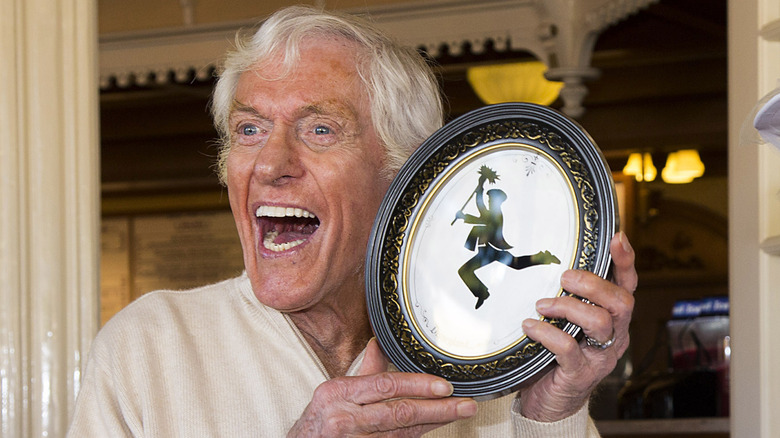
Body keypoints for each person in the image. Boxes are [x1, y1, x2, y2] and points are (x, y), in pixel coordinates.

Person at [68, 5, 636, 437]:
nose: (271, 163)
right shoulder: (150, 346)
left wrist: (550, 414)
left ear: (406, 174)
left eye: (319, 130)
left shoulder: (494, 350)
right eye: (249, 129)